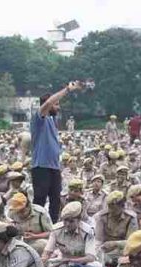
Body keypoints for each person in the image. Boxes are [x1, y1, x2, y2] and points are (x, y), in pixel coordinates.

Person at [32, 81, 83, 223]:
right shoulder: (39, 119)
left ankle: (53, 226)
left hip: (54, 167)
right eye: (57, 104)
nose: (58, 107)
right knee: (40, 199)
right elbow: (49, 103)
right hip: (41, 166)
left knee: (55, 199)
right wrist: (67, 90)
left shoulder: (53, 120)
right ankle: (37, 225)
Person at [42, 201, 102, 267]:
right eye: (65, 220)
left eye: (71, 221)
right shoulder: (56, 230)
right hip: (63, 264)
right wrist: (43, 262)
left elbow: (90, 258)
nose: (67, 224)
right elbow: (47, 252)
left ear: (79, 220)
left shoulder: (87, 232)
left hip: (82, 264)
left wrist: (71, 260)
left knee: (96, 266)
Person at [94, 190, 138, 265]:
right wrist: (98, 251)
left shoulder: (131, 218)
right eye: (109, 207)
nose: (111, 211)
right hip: (105, 249)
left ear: (122, 206)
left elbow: (131, 241)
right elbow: (98, 240)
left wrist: (115, 243)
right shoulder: (102, 216)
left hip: (122, 249)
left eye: (114, 208)